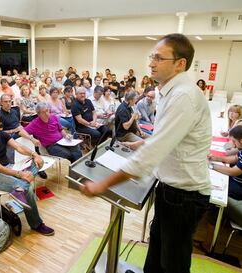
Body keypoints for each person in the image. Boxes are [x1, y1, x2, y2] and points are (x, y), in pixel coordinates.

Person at [81, 33, 211, 273]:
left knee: (172, 263)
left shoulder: (183, 96)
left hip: (184, 195)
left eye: (159, 58)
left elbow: (153, 154)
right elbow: (166, 138)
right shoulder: (170, 92)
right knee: (157, 251)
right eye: (152, 56)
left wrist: (103, 185)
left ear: (180, 63)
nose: (151, 63)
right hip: (171, 190)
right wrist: (138, 145)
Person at [0, 114, 54, 235]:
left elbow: (19, 147)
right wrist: (20, 174)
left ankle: (20, 189)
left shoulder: (2, 135)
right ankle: (36, 224)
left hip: (10, 168)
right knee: (28, 189)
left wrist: (35, 155)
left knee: (37, 162)